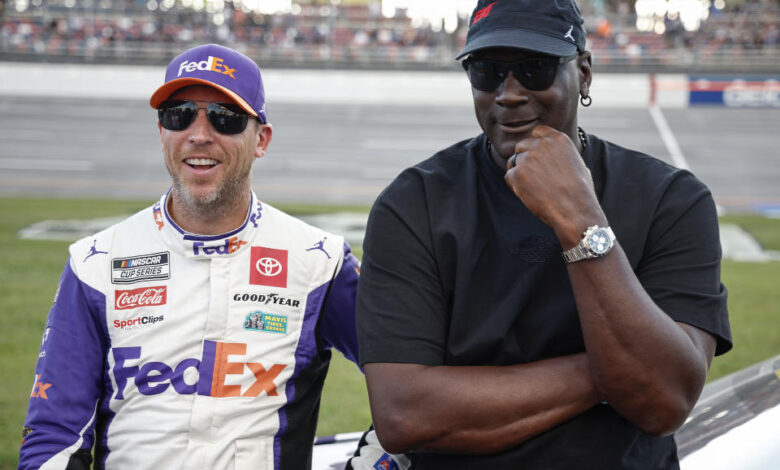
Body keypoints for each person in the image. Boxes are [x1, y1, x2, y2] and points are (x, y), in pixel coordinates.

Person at [356, 1, 732, 468]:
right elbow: (404, 415)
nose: (508, 93)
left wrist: (580, 221)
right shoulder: (413, 203)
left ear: (585, 73)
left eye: (535, 69)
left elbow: (664, 402)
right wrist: (617, 371)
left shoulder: (672, 200)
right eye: (486, 72)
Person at [19, 44, 362, 470]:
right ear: (161, 131)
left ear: (262, 140)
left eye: (226, 118)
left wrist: (378, 461)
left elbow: (414, 380)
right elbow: (54, 435)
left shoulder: (320, 262)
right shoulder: (94, 263)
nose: (199, 134)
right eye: (179, 114)